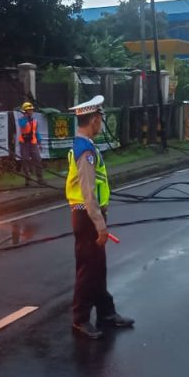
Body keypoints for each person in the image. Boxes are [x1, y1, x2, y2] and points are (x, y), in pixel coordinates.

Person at [66, 95, 134, 339]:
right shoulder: (86, 151)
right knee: (88, 269)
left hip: (90, 217)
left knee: (98, 268)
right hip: (87, 218)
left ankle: (106, 312)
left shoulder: (86, 146)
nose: (101, 123)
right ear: (94, 119)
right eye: (100, 119)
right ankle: (80, 319)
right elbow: (87, 192)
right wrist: (100, 225)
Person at [17, 102, 44, 186]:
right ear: (25, 111)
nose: (31, 111)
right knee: (25, 161)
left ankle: (40, 179)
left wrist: (39, 143)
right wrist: (26, 117)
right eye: (29, 110)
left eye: (31, 110)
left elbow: (36, 132)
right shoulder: (22, 119)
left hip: (33, 143)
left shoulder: (34, 121)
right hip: (24, 143)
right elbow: (22, 125)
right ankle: (27, 180)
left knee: (38, 160)